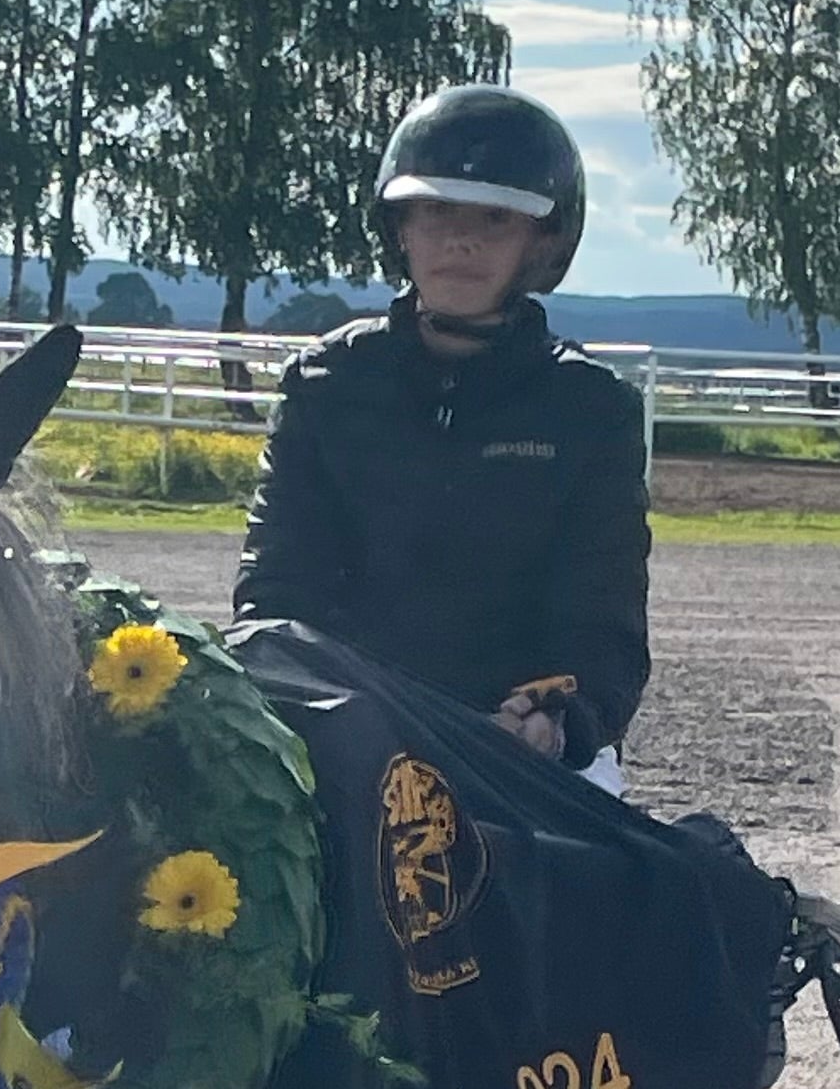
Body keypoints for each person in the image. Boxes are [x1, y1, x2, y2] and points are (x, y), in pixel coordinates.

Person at [233, 85, 650, 788]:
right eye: (437, 212)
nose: (461, 240)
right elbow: (277, 587)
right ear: (399, 227)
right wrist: (327, 712)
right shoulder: (327, 383)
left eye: (495, 218)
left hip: (519, 742)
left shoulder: (590, 409)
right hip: (346, 732)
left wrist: (555, 718)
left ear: (543, 240)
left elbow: (601, 614)